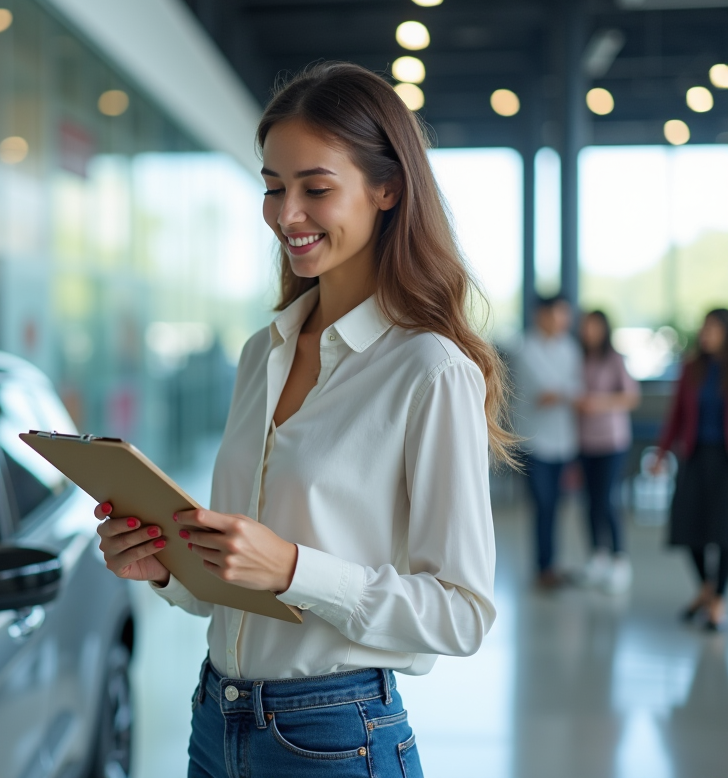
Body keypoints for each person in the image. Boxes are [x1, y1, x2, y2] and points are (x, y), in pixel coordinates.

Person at [93, 62, 511, 778]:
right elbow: (227, 591)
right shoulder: (264, 353)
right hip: (214, 721)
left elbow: (461, 615)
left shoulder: (429, 369)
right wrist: (168, 569)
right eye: (273, 187)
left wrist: (292, 568)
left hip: (335, 737)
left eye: (315, 189)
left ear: (387, 189)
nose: (287, 214)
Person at [656, 309, 728, 631]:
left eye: (713, 328)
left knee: (723, 533)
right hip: (694, 457)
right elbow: (676, 416)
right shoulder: (691, 369)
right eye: (705, 328)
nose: (706, 333)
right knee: (689, 528)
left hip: (724, 460)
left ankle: (716, 602)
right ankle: (706, 588)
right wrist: (661, 453)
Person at [512, 295, 584, 589]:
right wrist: (572, 393)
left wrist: (567, 392)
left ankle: (552, 565)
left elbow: (568, 391)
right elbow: (546, 394)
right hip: (534, 443)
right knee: (543, 505)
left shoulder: (570, 348)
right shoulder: (527, 349)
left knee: (557, 506)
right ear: (541, 315)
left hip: (564, 442)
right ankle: (544, 568)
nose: (563, 321)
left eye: (565, 315)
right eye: (557, 315)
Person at [576, 310, 639, 593]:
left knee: (606, 499)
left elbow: (631, 397)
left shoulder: (614, 359)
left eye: (594, 327)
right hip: (583, 440)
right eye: (585, 327)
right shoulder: (578, 359)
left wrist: (598, 403)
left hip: (612, 442)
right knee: (589, 501)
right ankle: (597, 556)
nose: (589, 332)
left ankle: (619, 558)